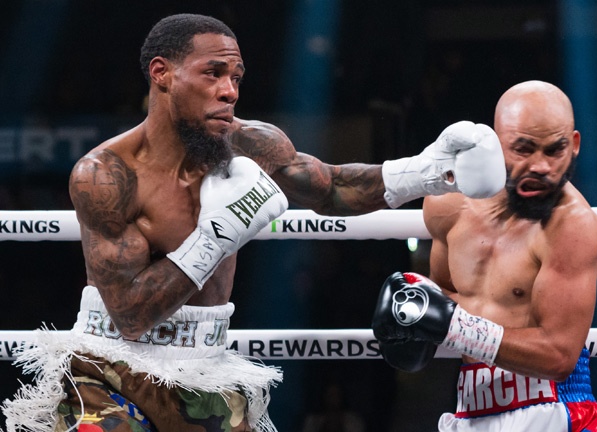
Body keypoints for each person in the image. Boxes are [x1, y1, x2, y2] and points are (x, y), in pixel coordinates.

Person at [2, 13, 506, 432]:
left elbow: (331, 186)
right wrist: (220, 232)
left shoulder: (249, 144)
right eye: (213, 73)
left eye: (236, 77)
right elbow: (132, 313)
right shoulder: (106, 174)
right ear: (162, 73)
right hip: (107, 365)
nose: (230, 91)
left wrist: (427, 170)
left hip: (205, 368)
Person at [372, 80, 597, 431]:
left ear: (573, 146)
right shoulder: (447, 205)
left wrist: (451, 326)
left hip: (552, 406)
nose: (541, 166)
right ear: (497, 145)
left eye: (554, 150)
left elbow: (559, 355)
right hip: (471, 405)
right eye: (524, 149)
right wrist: (413, 323)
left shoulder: (572, 226)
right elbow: (449, 301)